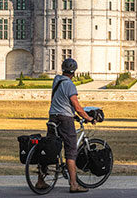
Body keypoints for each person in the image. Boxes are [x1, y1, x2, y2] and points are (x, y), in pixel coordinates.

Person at [36, 58, 95, 193]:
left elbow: (60, 100)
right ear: (74, 72)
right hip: (65, 120)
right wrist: (87, 117)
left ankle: (40, 181)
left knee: (49, 148)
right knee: (71, 151)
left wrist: (72, 113)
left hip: (53, 117)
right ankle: (73, 184)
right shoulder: (70, 85)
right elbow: (76, 105)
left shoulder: (56, 80)